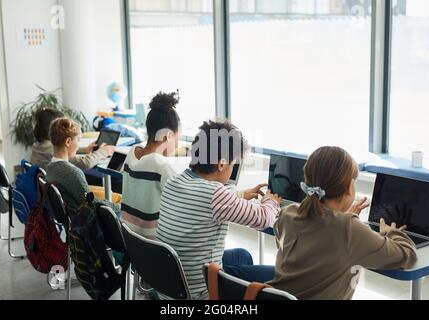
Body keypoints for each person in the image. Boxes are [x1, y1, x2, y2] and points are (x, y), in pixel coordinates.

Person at [268, 146, 417, 300]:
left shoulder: (288, 212)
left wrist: (342, 219)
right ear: (349, 186)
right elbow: (409, 256)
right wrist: (390, 231)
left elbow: (301, 242)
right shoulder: (349, 228)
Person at [156, 120, 282, 300]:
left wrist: (240, 194)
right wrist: (271, 202)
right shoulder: (215, 194)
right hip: (201, 290)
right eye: (233, 163)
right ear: (221, 164)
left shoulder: (174, 182)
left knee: (242, 256)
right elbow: (263, 219)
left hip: (172, 283)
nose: (232, 168)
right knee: (279, 276)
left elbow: (204, 201)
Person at [121, 91, 181, 239]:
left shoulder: (132, 153)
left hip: (130, 240)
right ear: (168, 136)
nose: (178, 144)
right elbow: (190, 200)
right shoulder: (161, 166)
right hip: (155, 247)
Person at [46, 118, 120, 214]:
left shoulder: (50, 167)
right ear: (68, 142)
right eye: (78, 140)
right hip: (85, 220)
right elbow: (91, 204)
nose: (78, 145)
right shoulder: (73, 173)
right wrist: (120, 208)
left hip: (72, 217)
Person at [30, 108, 116, 170]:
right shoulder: (53, 154)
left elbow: (61, 147)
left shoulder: (38, 146)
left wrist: (85, 149)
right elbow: (85, 163)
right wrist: (103, 151)